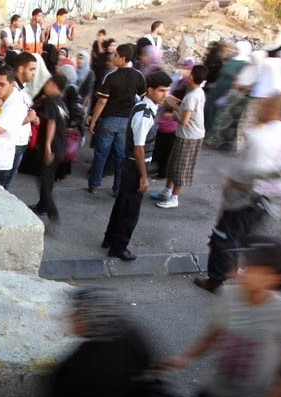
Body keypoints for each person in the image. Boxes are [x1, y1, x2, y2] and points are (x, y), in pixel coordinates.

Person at [160, 240, 281, 397]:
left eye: (250, 270)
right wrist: (184, 358)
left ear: (276, 278)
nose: (237, 273)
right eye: (242, 267)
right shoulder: (229, 294)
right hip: (210, 396)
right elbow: (213, 335)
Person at [195, 94, 281, 293]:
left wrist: (228, 192)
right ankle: (241, 270)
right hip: (272, 200)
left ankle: (216, 279)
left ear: (270, 109)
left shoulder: (259, 136)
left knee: (224, 237)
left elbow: (242, 176)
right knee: (248, 236)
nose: (258, 110)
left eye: (263, 106)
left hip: (247, 198)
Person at [36, 287, 155, 397]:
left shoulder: (82, 365)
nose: (70, 317)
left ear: (92, 320)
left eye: (77, 314)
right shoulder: (133, 339)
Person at [101, 70, 173, 262]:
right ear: (150, 90)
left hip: (131, 165)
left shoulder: (142, 106)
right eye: (161, 91)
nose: (164, 95)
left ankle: (110, 239)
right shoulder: (145, 115)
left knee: (122, 205)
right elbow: (139, 149)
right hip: (135, 166)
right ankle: (119, 246)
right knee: (130, 210)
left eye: (167, 91)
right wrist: (144, 176)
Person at [88, 43, 146, 196]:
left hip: (108, 120)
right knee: (121, 157)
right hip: (127, 122)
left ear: (123, 58)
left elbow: (102, 102)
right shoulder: (138, 76)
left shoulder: (111, 76)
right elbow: (143, 98)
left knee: (101, 154)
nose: (113, 58)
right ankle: (117, 188)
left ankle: (94, 185)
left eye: (116, 55)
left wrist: (93, 120)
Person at [151, 65, 208, 209]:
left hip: (189, 136)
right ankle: (167, 191)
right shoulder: (198, 92)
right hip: (187, 134)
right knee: (173, 163)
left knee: (181, 167)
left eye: (190, 74)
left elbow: (184, 120)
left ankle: (174, 197)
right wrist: (176, 104)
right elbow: (189, 110)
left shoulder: (191, 96)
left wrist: (174, 115)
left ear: (193, 77)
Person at [30, 74, 69, 229]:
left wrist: (47, 146)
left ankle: (53, 216)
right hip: (60, 146)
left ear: (54, 85)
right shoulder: (61, 103)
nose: (45, 86)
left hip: (52, 147)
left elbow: (51, 123)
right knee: (48, 179)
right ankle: (42, 206)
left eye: (48, 83)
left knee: (44, 182)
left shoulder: (51, 102)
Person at [3, 52, 38, 189]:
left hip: (21, 141)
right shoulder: (11, 88)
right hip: (13, 142)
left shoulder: (22, 88)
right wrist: (28, 118)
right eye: (31, 69)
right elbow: (6, 118)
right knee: (4, 183)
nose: (33, 73)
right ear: (21, 68)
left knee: (8, 181)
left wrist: (31, 117)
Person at [205, 41, 251, 136]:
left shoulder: (244, 63)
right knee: (208, 107)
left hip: (227, 89)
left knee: (217, 112)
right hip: (217, 87)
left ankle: (211, 133)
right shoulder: (232, 60)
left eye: (236, 49)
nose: (234, 51)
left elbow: (240, 79)